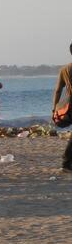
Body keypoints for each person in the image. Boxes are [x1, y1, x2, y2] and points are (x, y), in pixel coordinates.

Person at [53, 43, 72, 173]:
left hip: (69, 104)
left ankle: (67, 162)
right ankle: (66, 161)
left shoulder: (64, 69)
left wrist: (54, 109)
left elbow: (58, 90)